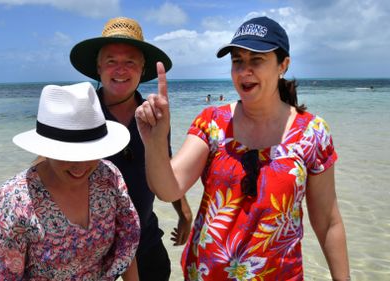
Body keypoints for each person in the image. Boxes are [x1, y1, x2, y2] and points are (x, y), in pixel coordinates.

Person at [135, 16, 350, 280]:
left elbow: (328, 221)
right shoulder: (212, 123)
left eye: (256, 60)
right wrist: (155, 142)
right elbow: (168, 189)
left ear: (283, 65)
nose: (244, 70)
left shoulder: (312, 133)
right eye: (237, 61)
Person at [0, 82, 140, 280]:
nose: (80, 166)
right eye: (68, 154)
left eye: (90, 152)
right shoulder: (16, 201)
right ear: (47, 148)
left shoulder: (108, 177)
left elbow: (126, 247)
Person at [70, 17, 192, 281]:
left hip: (144, 235)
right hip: (91, 245)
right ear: (99, 68)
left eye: (130, 62)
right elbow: (52, 168)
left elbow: (164, 164)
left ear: (142, 68)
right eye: (111, 61)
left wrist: (183, 211)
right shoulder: (81, 112)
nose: (120, 69)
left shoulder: (154, 115)